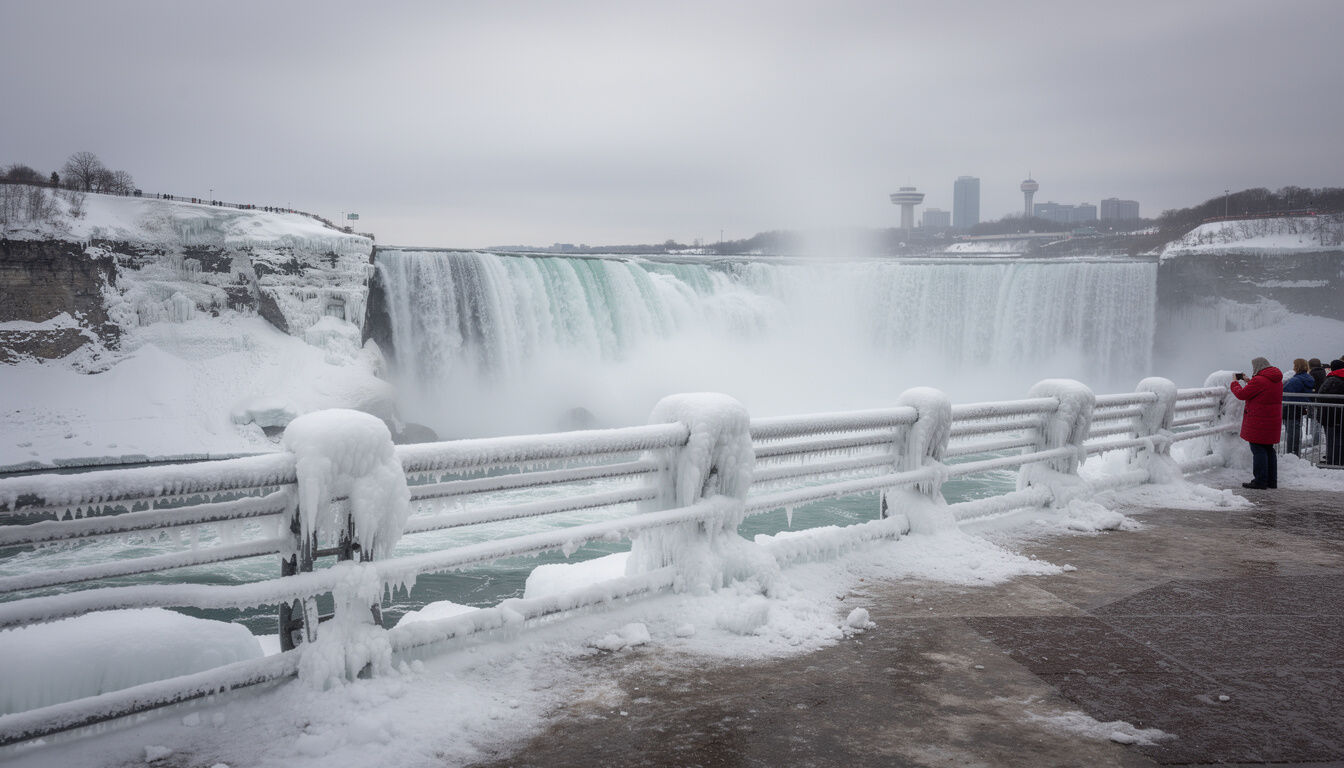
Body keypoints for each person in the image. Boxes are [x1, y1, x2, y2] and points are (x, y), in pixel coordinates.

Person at [1229, 356, 1283, 489]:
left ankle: (1260, 481)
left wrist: (1235, 383)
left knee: (1258, 449)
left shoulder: (1259, 380)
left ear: (1257, 366)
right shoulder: (1276, 379)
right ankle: (1271, 481)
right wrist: (1249, 381)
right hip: (1272, 420)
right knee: (1269, 450)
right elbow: (1261, 391)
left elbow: (1241, 394)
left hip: (1259, 421)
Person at [1282, 358, 1315, 456]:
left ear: (1296, 366)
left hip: (1290, 408)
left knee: (1292, 433)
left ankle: (1291, 454)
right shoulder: (1307, 378)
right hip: (1298, 408)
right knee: (1296, 431)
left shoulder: (1296, 380)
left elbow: (1285, 393)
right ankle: (1295, 453)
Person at [1317, 360, 1344, 467]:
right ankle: (1338, 459)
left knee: (1333, 439)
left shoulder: (1332, 380)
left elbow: (1321, 396)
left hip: (1330, 415)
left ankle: (1333, 460)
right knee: (1339, 438)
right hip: (1339, 415)